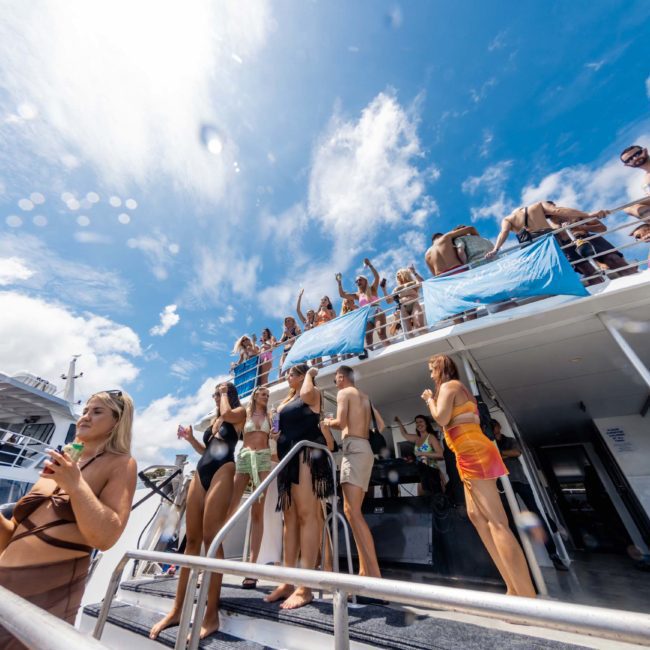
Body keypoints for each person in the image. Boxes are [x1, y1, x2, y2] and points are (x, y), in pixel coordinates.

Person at [0, 390, 137, 648]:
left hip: (48, 594)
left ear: (117, 422)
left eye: (97, 412)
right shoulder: (62, 461)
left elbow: (106, 537)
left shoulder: (121, 464)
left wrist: (75, 485)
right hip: (5, 583)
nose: (84, 417)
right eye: (85, 410)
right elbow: (12, 535)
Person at [422, 354, 535, 597]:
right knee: (476, 516)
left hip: (474, 451)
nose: (431, 375)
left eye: (432, 370)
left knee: (496, 522)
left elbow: (440, 417)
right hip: (465, 455)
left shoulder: (450, 386)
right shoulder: (455, 389)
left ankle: (526, 595)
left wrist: (430, 400)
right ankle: (512, 587)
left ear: (440, 369)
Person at [150, 382, 245, 640]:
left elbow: (227, 416)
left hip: (224, 470)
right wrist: (192, 438)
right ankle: (178, 609)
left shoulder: (238, 414)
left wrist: (226, 393)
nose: (215, 397)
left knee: (211, 539)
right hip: (202, 469)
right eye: (215, 394)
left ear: (229, 395)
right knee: (191, 540)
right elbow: (208, 450)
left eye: (219, 393)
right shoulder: (216, 420)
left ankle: (211, 615)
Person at [265, 365, 334, 609]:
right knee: (290, 519)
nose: (287, 377)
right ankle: (287, 582)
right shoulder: (288, 399)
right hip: (288, 459)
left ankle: (306, 586)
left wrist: (311, 374)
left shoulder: (311, 393)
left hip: (307, 456)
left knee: (307, 516)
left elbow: (306, 396)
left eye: (293, 373)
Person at [322, 366, 383, 581]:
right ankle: (365, 572)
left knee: (353, 512)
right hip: (365, 450)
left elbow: (341, 423)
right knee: (352, 511)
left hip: (354, 449)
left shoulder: (344, 393)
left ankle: (374, 577)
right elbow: (381, 426)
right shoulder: (365, 397)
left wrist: (326, 422)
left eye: (336, 378)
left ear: (342, 377)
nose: (335, 381)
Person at [490, 419, 567, 571]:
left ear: (499, 426)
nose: (494, 429)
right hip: (503, 483)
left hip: (520, 480)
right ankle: (521, 559)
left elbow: (516, 452)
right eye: (492, 427)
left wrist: (501, 453)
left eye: (495, 426)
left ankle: (553, 553)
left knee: (535, 513)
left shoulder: (510, 440)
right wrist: (503, 455)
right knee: (511, 517)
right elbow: (493, 458)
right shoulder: (491, 443)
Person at [227, 386, 273, 589]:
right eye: (263, 394)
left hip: (263, 460)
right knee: (231, 507)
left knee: (257, 513)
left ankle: (251, 569)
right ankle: (212, 561)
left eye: (268, 395)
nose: (266, 396)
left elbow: (274, 437)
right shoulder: (243, 414)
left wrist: (277, 437)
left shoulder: (271, 415)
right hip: (244, 458)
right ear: (255, 395)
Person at [544, 202, 636, 278]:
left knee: (613, 259)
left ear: (553, 205)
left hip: (589, 238)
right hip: (569, 246)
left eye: (548, 207)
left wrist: (580, 226)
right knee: (588, 270)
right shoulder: (548, 227)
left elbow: (602, 228)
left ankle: (633, 279)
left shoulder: (575, 215)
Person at [336, 258, 389, 349]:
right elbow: (342, 295)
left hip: (376, 311)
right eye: (356, 281)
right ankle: (373, 360)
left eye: (360, 280)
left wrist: (370, 265)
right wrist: (339, 283)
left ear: (365, 280)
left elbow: (377, 277)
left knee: (381, 333)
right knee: (368, 339)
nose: (358, 282)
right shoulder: (357, 295)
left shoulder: (372, 289)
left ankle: (389, 351)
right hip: (367, 316)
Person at [394, 414, 445, 495]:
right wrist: (399, 422)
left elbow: (441, 454)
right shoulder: (417, 438)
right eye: (416, 422)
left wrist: (422, 453)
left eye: (421, 421)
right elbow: (404, 434)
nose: (418, 424)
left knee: (436, 497)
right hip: (422, 472)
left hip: (431, 472)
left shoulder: (431, 437)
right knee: (427, 497)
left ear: (426, 424)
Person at [619, 145, 650, 219]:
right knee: (628, 207)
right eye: (630, 159)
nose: (635, 158)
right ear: (627, 165)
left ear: (645, 151)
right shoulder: (645, 184)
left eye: (637, 154)